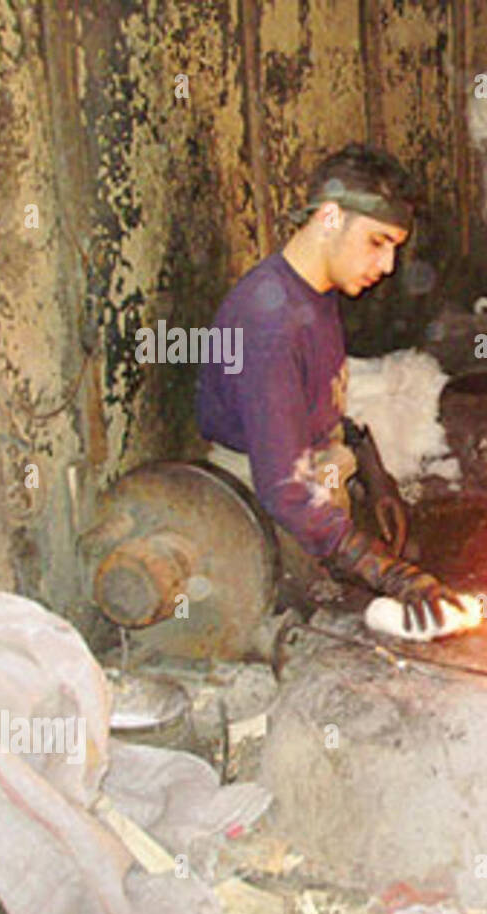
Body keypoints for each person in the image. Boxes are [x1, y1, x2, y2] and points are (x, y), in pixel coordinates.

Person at [197, 143, 462, 631]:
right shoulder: (269, 320)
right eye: (378, 242)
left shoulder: (311, 296)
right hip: (263, 518)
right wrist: (384, 570)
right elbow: (285, 489)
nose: (386, 266)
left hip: (310, 491)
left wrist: (369, 467)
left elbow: (308, 402)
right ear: (330, 218)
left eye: (394, 249)